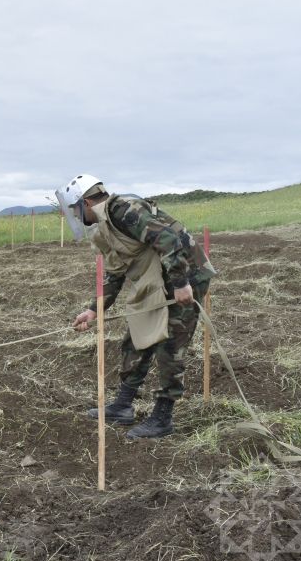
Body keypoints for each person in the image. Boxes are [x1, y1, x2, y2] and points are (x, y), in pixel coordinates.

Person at [56, 174, 217, 439]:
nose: (74, 215)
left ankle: (163, 418)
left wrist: (180, 283)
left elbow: (168, 239)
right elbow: (115, 272)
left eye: (75, 209)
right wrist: (94, 310)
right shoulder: (106, 226)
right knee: (136, 338)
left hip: (187, 277)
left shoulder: (124, 211)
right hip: (155, 280)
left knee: (170, 345)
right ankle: (122, 405)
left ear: (86, 203)